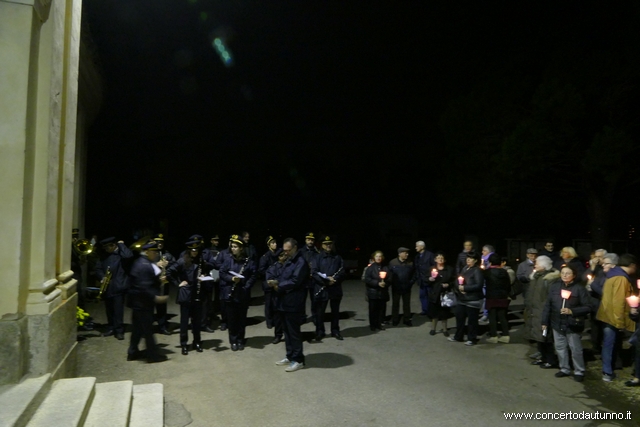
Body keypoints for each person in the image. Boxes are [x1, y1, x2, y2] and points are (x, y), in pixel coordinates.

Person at [541, 265, 591, 382]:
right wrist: (544, 321)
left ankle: (579, 370)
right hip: (556, 323)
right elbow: (548, 305)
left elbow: (588, 307)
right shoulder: (555, 287)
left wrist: (572, 311)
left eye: (568, 273)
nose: (564, 275)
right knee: (560, 347)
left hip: (572, 324)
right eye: (563, 273)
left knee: (575, 349)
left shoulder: (579, 289)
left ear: (573, 275)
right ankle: (564, 368)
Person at [166, 239, 213, 355]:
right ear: (189, 250)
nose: (194, 252)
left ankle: (197, 342)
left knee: (196, 322)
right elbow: (169, 272)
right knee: (184, 322)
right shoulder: (182, 261)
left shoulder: (201, 260)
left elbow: (208, 270)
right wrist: (178, 283)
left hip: (197, 294)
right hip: (186, 295)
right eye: (192, 250)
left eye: (196, 249)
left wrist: (204, 276)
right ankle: (184, 344)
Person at [596, 253, 637, 382]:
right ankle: (607, 372)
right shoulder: (621, 278)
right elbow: (618, 302)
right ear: (632, 265)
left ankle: (607, 370)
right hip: (613, 317)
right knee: (610, 343)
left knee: (608, 343)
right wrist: (619, 323)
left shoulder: (611, 275)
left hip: (607, 315)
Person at [272, 238, 309, 372]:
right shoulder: (289, 260)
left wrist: (278, 286)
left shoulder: (301, 262)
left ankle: (298, 360)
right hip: (284, 301)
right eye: (284, 250)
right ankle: (290, 355)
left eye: (288, 250)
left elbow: (295, 281)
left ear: (295, 248)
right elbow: (284, 276)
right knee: (286, 331)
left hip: (294, 302)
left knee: (294, 332)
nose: (285, 252)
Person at [127, 241, 168, 363]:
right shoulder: (144, 265)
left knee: (137, 329)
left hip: (137, 303)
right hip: (143, 303)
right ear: (147, 251)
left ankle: (132, 352)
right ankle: (152, 356)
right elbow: (143, 286)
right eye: (153, 252)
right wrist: (156, 297)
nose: (155, 254)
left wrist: (158, 278)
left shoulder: (141, 262)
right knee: (148, 331)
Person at [219, 235, 256, 351]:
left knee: (241, 319)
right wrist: (231, 279)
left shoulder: (248, 261)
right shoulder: (228, 260)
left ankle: (240, 340)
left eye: (235, 247)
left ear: (241, 248)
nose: (233, 249)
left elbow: (254, 275)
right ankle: (233, 340)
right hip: (230, 292)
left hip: (242, 293)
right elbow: (222, 273)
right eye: (232, 246)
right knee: (231, 319)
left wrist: (246, 286)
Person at [95, 237, 133, 340]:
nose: (106, 249)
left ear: (113, 245)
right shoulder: (104, 256)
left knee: (118, 310)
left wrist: (121, 244)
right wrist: (101, 276)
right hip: (108, 286)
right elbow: (98, 268)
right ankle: (111, 327)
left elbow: (129, 255)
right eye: (105, 247)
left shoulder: (121, 254)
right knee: (109, 309)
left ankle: (119, 330)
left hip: (118, 285)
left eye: (107, 247)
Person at [525, 256, 560, 368]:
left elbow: (550, 298)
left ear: (544, 266)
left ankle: (550, 360)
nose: (535, 266)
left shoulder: (549, 279)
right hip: (534, 311)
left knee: (546, 337)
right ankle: (542, 357)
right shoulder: (537, 277)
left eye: (537, 264)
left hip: (543, 312)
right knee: (538, 337)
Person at [311, 236, 346, 341]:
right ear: (322, 245)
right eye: (326, 244)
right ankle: (320, 332)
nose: (328, 246)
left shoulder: (338, 257)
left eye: (330, 243)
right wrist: (326, 281)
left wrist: (334, 279)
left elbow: (342, 271)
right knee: (320, 313)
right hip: (322, 288)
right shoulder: (317, 257)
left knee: (335, 312)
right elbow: (314, 272)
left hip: (335, 288)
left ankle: (335, 331)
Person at [449, 250, 484, 346]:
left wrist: (465, 288)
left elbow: (479, 285)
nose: (468, 260)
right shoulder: (465, 268)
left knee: (472, 320)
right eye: (467, 258)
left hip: (473, 299)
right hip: (462, 298)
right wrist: (458, 288)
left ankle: (471, 338)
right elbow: (458, 279)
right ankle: (458, 336)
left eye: (471, 258)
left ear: (476, 260)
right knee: (459, 318)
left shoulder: (477, 270)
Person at [484, 254, 512, 343]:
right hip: (503, 296)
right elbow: (508, 284)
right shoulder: (504, 272)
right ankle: (505, 335)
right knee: (502, 316)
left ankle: (494, 336)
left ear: (490, 262)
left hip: (491, 296)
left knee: (492, 316)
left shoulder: (487, 272)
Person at [427, 252, 454, 336]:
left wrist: (448, 284)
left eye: (442, 258)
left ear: (445, 260)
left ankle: (445, 329)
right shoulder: (431, 269)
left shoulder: (449, 269)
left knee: (444, 313)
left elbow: (454, 280)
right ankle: (433, 328)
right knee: (434, 313)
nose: (440, 260)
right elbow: (426, 279)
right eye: (438, 258)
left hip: (445, 294)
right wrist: (429, 279)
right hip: (434, 293)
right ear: (435, 260)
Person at [153, 234, 175, 335]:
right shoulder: (150, 253)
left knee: (162, 306)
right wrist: (155, 264)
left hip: (163, 283)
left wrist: (168, 264)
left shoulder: (167, 254)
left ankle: (162, 326)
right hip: (152, 283)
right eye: (158, 242)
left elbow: (175, 264)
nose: (160, 244)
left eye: (161, 242)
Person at [388, 247, 416, 326]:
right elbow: (389, 274)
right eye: (405, 253)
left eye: (407, 253)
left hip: (406, 286)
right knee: (395, 304)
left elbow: (414, 274)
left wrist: (411, 282)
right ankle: (395, 319)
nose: (407, 254)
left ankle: (407, 319)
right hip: (396, 287)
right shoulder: (393, 262)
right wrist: (391, 282)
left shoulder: (410, 263)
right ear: (399, 254)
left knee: (406, 304)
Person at [364, 251, 390, 331]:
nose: (378, 258)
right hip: (373, 292)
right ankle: (373, 325)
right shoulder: (370, 268)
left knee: (381, 309)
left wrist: (385, 283)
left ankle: (379, 324)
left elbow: (390, 278)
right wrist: (377, 283)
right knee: (373, 310)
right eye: (377, 256)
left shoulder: (385, 267)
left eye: (380, 256)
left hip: (382, 292)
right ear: (374, 258)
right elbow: (367, 279)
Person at [265, 249, 287, 344]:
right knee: (278, 317)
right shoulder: (273, 268)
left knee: (289, 317)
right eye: (282, 255)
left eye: (285, 255)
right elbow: (269, 279)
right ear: (278, 257)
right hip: (277, 294)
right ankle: (278, 335)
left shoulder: (289, 266)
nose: (284, 257)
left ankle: (289, 335)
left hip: (288, 294)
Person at [259, 236, 280, 331]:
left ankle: (276, 321)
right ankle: (269, 321)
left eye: (275, 242)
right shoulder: (265, 257)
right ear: (268, 245)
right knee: (269, 303)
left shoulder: (278, 254)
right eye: (272, 243)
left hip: (277, 282)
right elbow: (261, 270)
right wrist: (271, 274)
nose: (275, 244)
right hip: (268, 282)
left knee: (276, 303)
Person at [300, 232, 320, 322]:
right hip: (303, 280)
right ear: (305, 240)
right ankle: (302, 317)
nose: (310, 241)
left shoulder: (317, 252)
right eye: (309, 239)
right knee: (301, 300)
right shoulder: (300, 251)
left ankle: (315, 317)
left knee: (315, 300)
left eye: (312, 240)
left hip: (313, 279)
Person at [414, 241, 435, 316]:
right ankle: (425, 310)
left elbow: (434, 266)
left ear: (422, 247)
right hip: (421, 280)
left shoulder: (430, 255)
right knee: (422, 295)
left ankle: (431, 311)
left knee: (430, 296)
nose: (415, 248)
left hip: (429, 279)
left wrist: (432, 276)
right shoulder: (417, 256)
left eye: (417, 246)